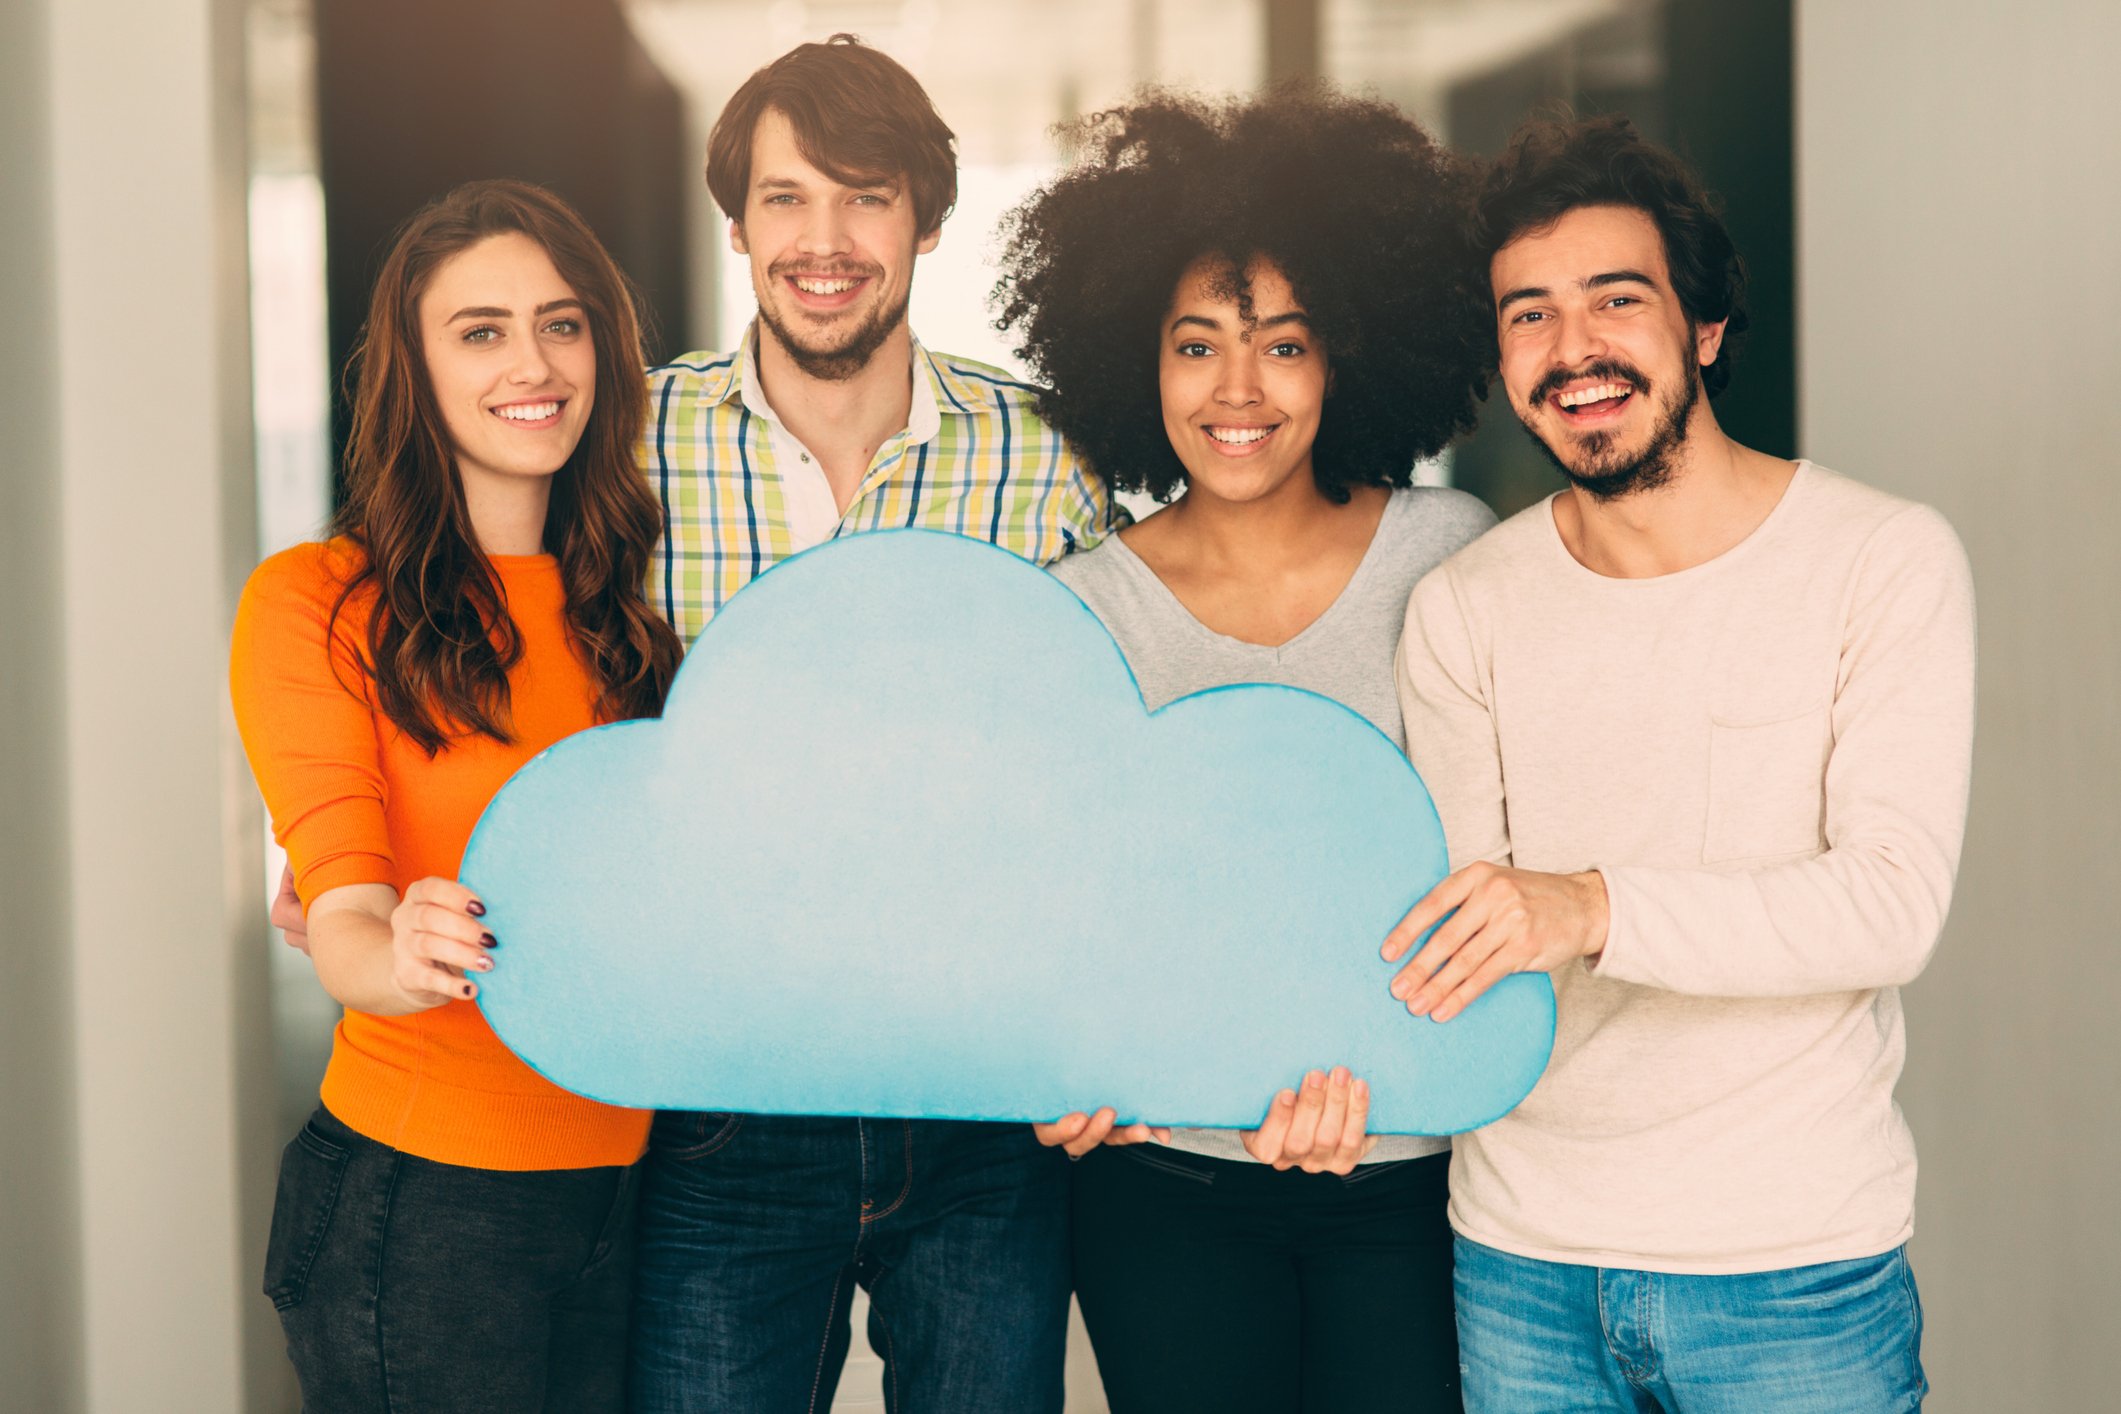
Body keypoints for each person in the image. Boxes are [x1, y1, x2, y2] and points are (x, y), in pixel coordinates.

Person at [1388, 115, 1974, 1412]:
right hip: (1520, 1260)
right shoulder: (1463, 609)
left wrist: (1588, 903)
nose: (1572, 347)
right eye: (1527, 314)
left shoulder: (1878, 562)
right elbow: (1457, 946)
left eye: (1615, 299)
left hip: (1791, 1264)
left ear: (1702, 327)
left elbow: (1888, 904)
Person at [624, 36, 1125, 1414]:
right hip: (719, 1091)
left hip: (984, 1091)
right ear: (737, 225)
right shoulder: (627, 449)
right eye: (787, 199)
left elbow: (1135, 739)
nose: (825, 241)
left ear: (927, 221)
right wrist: (365, 840)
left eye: (865, 196)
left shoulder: (1048, 455)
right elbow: (495, 656)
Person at [996, 90, 1493, 1412]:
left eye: (1282, 344)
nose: (1235, 391)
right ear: (1135, 360)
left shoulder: (1447, 558)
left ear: (1348, 355)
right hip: (1161, 1183)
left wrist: (1372, 1074)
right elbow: (1057, 901)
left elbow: (1491, 861)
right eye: (1194, 344)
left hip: (1409, 1172)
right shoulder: (1083, 605)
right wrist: (1056, 1062)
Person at [230, 179, 684, 1411]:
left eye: (562, 321)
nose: (531, 361)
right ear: (413, 371)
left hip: (620, 1188)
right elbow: (340, 920)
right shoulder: (318, 602)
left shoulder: (634, 629)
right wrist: (403, 947)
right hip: (420, 1204)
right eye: (479, 330)